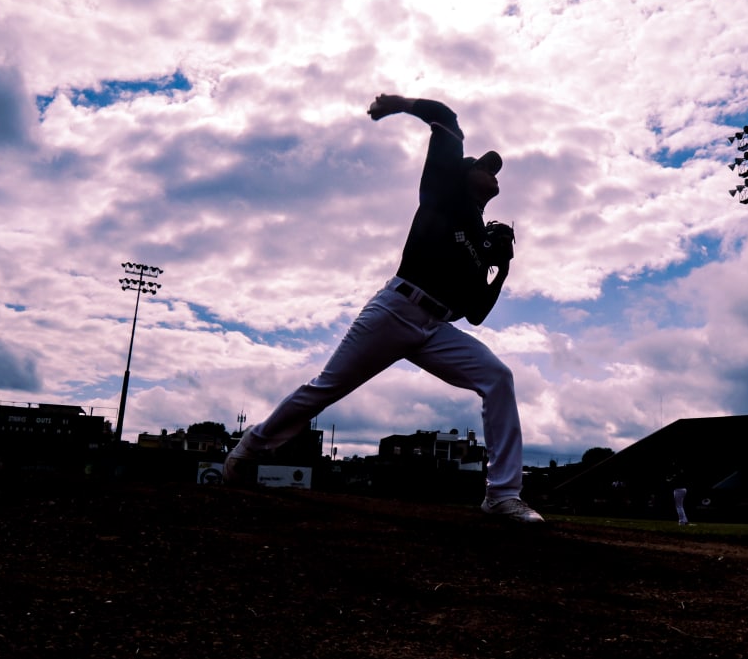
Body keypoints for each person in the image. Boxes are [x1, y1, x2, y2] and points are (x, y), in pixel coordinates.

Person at [225, 94, 543, 523]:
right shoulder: (444, 190)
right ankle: (250, 448)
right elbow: (446, 119)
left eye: (495, 168)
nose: (493, 169)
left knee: (497, 377)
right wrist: (398, 103)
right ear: (465, 173)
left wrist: (499, 268)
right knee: (325, 389)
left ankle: (501, 495)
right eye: (485, 165)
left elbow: (475, 313)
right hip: (395, 309)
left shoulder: (479, 242)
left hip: (434, 329)